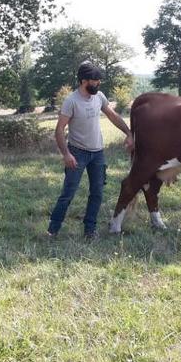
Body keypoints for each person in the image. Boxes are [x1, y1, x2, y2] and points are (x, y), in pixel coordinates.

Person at [47, 61, 134, 240]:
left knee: (97, 193)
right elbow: (59, 130)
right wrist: (66, 154)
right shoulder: (71, 101)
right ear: (83, 80)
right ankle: (52, 230)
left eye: (98, 80)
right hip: (77, 153)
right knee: (68, 194)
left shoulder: (99, 96)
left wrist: (128, 132)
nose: (98, 83)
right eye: (94, 80)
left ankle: (89, 230)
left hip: (98, 154)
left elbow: (112, 115)